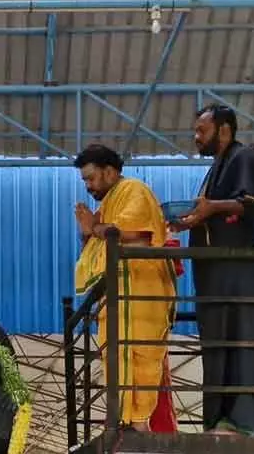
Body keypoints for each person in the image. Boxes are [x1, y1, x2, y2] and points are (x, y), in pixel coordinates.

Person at [177, 105, 254, 436]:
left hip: (237, 265)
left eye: (202, 130)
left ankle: (243, 419)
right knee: (216, 342)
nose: (196, 138)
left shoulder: (244, 159)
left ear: (224, 130)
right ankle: (219, 417)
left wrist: (212, 208)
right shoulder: (217, 168)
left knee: (240, 338)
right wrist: (194, 218)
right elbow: (214, 209)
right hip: (213, 269)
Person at [72, 144, 176, 432]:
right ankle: (127, 421)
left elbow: (138, 235)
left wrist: (94, 227)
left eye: (91, 178)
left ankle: (140, 424)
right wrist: (88, 231)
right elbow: (99, 245)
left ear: (109, 171)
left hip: (141, 292)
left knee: (141, 357)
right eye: (85, 181)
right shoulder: (108, 204)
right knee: (118, 358)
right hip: (119, 297)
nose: (89, 187)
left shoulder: (134, 190)